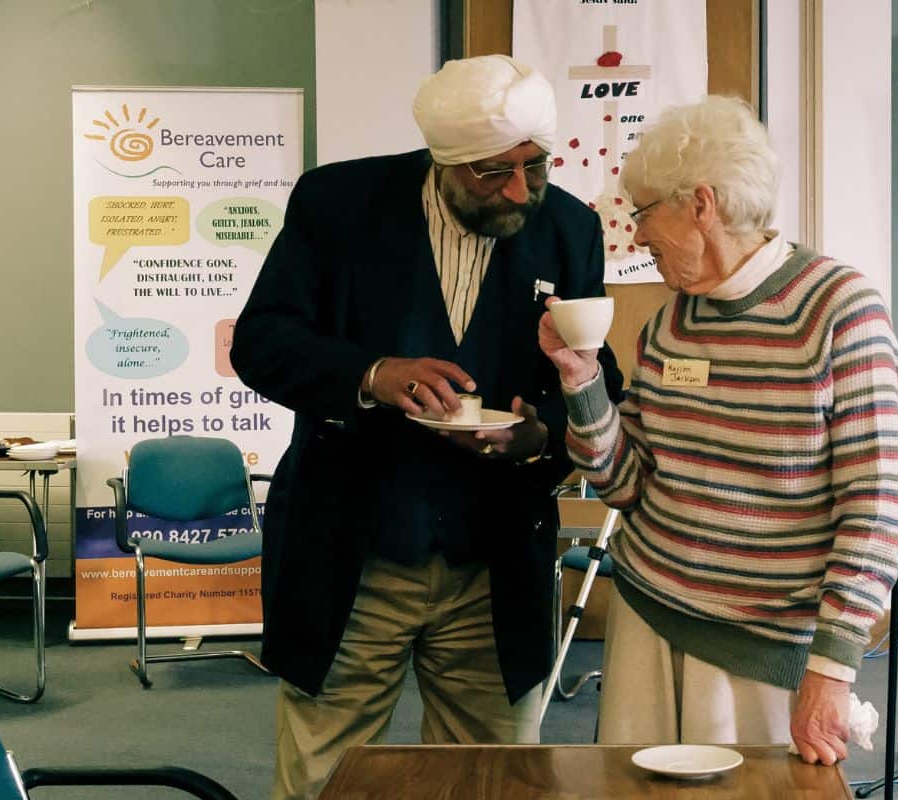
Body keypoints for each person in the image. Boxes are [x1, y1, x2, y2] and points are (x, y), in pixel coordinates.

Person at [231, 54, 623, 800]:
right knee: (325, 774)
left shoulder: (569, 229)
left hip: (496, 559)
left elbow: (594, 376)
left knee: (498, 778)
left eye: (534, 167)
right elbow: (262, 342)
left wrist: (539, 438)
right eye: (491, 172)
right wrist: (373, 374)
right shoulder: (339, 205)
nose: (519, 190)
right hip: (356, 552)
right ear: (442, 162)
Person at [537, 96, 898, 765]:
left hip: (758, 651)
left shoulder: (839, 312)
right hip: (647, 615)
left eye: (644, 212)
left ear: (700, 205)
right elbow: (625, 485)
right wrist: (580, 380)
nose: (636, 235)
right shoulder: (671, 322)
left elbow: (876, 508)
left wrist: (832, 669)